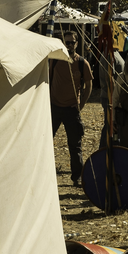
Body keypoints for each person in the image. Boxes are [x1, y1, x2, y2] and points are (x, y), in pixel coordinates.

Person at [49, 30, 93, 184]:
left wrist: (81, 105)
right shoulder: (53, 60)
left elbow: (89, 85)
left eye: (72, 42)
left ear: (77, 43)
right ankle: (44, 174)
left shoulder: (82, 63)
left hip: (71, 110)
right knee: (46, 142)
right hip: (54, 108)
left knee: (75, 145)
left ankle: (77, 176)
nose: (69, 45)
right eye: (66, 42)